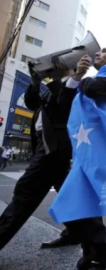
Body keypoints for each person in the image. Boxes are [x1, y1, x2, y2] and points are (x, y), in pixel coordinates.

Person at [0, 62, 80, 251]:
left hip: (55, 148)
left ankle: (99, 242)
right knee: (70, 196)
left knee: (25, 193)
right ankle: (77, 233)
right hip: (46, 144)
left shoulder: (74, 85)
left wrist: (59, 78)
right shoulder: (51, 88)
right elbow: (31, 102)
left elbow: (61, 105)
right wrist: (35, 82)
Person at [62, 46, 106, 269]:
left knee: (77, 199)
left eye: (105, 50)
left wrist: (84, 81)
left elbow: (94, 88)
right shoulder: (98, 74)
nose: (98, 53)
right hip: (88, 146)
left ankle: (102, 245)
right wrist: (79, 76)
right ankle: (95, 251)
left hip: (101, 146)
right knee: (85, 200)